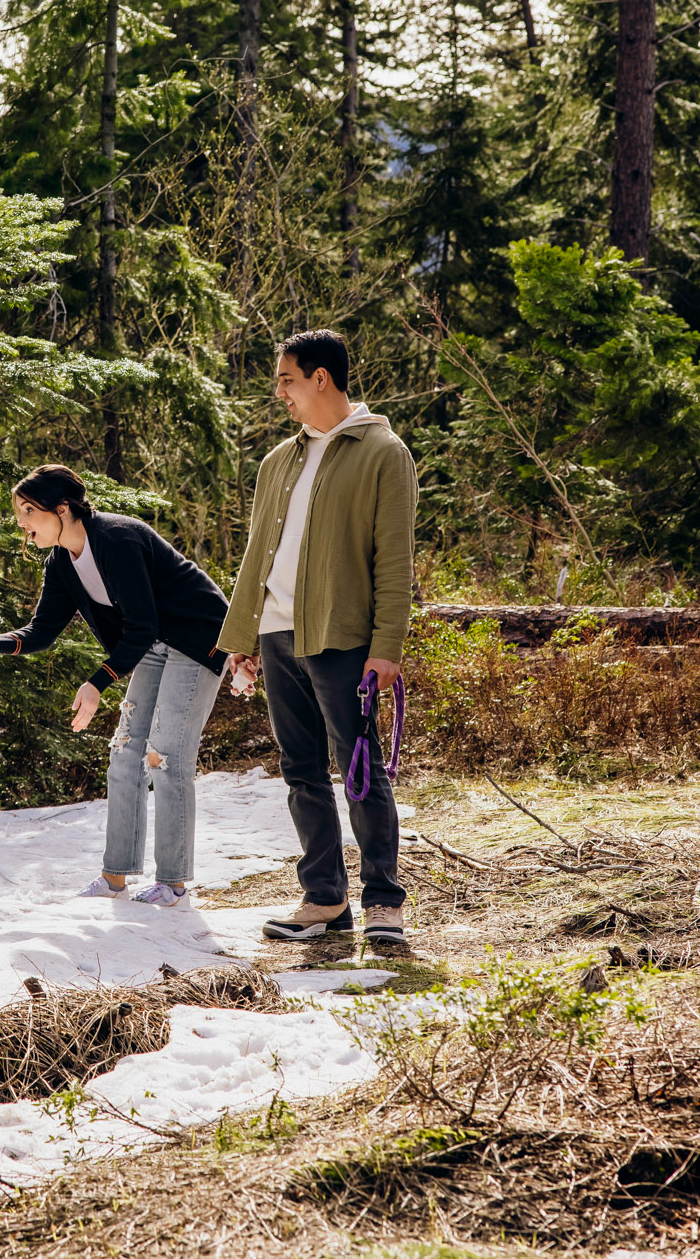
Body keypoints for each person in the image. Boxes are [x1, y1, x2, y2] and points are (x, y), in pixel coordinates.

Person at [0, 465, 231, 905]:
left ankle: (172, 883)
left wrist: (98, 682)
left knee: (165, 755)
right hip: (153, 643)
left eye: (28, 511)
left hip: (197, 639)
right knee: (125, 751)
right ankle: (115, 877)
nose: (21, 522)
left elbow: (142, 622)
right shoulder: (61, 562)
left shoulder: (117, 538)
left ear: (62, 510)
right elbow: (43, 630)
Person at [221, 330, 418, 945]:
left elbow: (394, 560)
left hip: (341, 638)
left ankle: (384, 901)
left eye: (286, 379)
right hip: (278, 634)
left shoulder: (384, 452)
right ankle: (325, 901)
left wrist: (386, 646)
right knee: (300, 770)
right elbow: (257, 556)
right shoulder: (277, 461)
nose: (279, 391)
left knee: (358, 770)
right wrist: (243, 635)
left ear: (321, 378)